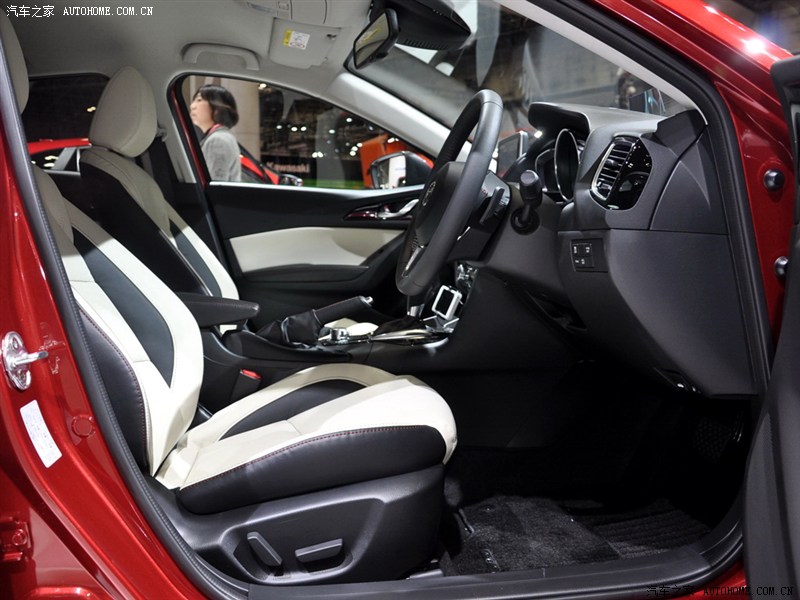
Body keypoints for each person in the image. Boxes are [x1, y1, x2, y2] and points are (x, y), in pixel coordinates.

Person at [190, 85, 242, 181]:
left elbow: (215, 185)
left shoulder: (217, 140)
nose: (192, 106)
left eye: (199, 100)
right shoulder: (222, 136)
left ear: (217, 109)